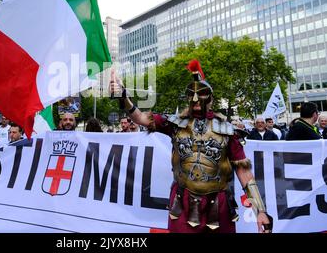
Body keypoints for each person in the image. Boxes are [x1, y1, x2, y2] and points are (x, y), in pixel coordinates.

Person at [110, 60, 272, 233]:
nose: (196, 99)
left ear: (211, 98)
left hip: (219, 205)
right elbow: (141, 118)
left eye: (202, 94)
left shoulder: (227, 130)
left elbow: (244, 172)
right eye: (192, 94)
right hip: (183, 203)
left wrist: (260, 211)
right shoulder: (175, 124)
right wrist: (123, 97)